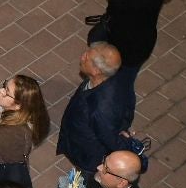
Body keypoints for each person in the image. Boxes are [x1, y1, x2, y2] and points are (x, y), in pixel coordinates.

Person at [88, 0, 180, 113]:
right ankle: (97, 78)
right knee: (95, 48)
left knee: (122, 83)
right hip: (112, 29)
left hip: (131, 48)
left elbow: (120, 4)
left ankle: (122, 114)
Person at [55, 43, 132, 176]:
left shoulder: (101, 108)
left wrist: (127, 143)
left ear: (96, 71)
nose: (82, 56)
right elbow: (128, 107)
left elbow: (110, 139)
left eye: (86, 57)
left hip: (86, 153)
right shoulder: (107, 79)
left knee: (83, 179)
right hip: (79, 137)